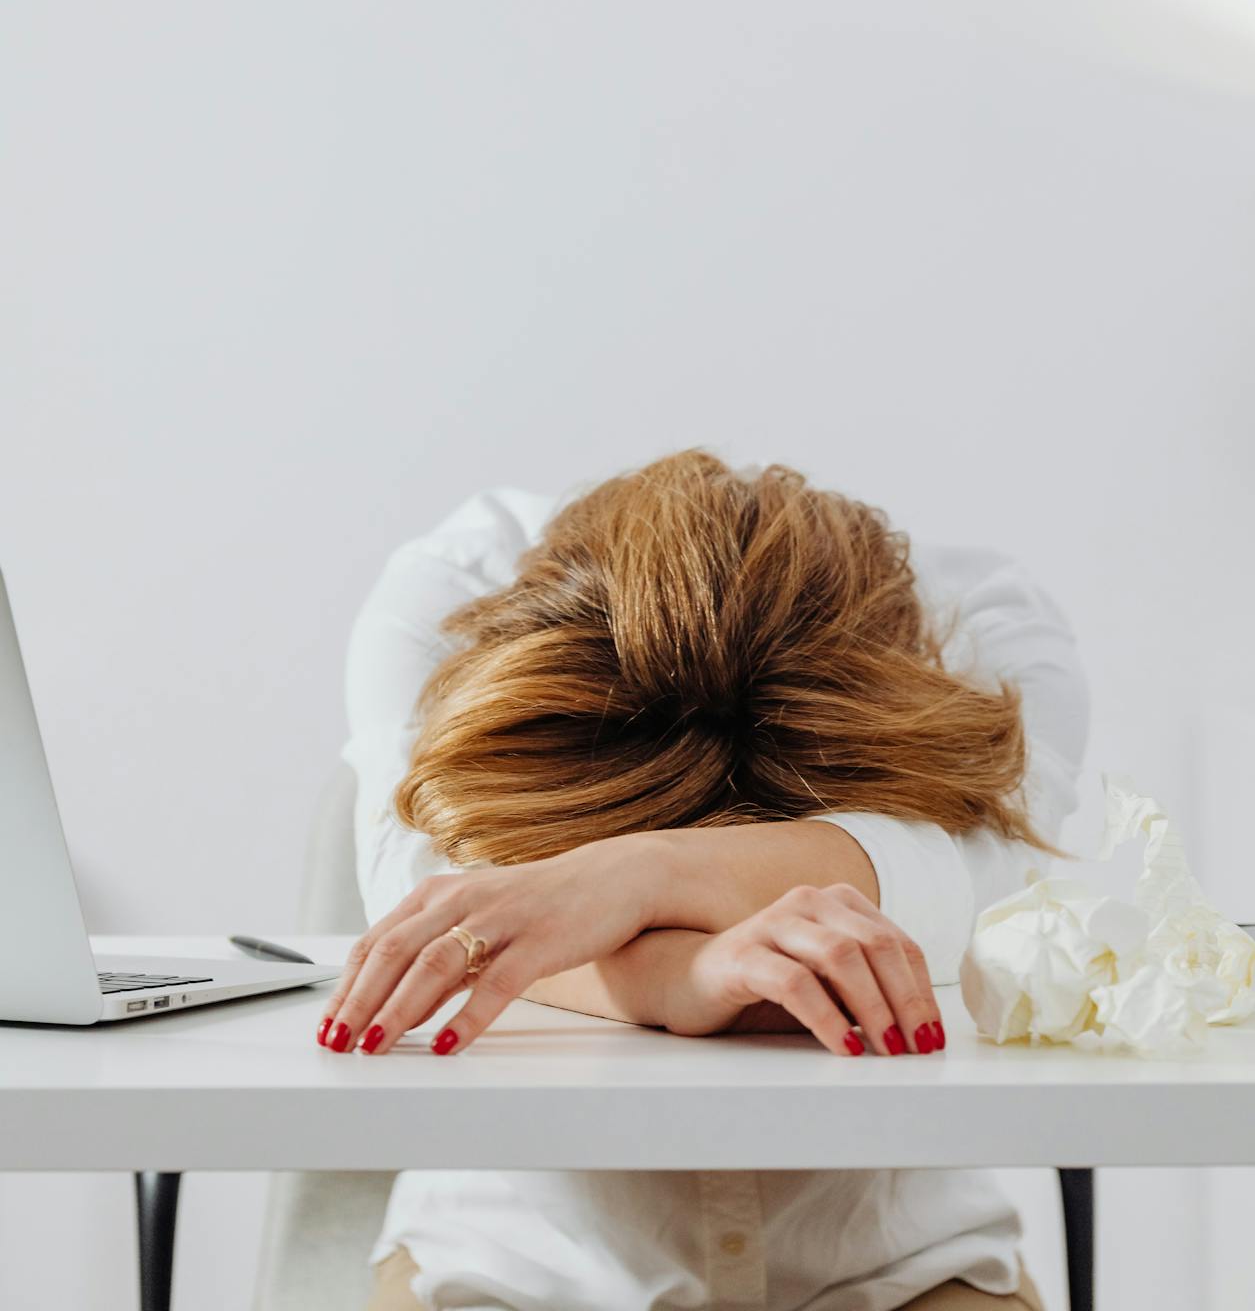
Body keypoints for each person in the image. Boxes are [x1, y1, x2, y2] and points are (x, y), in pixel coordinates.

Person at [324, 449, 1089, 1310]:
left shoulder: (985, 624)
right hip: (515, 1266)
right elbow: (439, 921)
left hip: (903, 1266)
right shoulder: (454, 581)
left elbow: (986, 888)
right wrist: (686, 977)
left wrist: (635, 873)